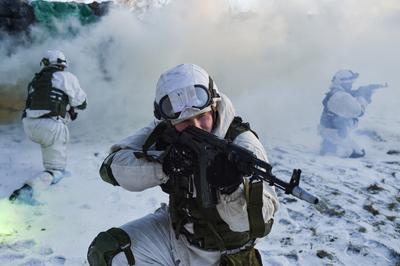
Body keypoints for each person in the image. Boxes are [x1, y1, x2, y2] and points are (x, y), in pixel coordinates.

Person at [87, 63, 279, 265]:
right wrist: (165, 165)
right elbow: (111, 168)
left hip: (224, 254)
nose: (196, 127)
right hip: (177, 235)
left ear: (214, 106)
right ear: (168, 120)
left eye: (202, 117)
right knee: (109, 251)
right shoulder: (165, 130)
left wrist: (232, 189)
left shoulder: (243, 145)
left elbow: (257, 225)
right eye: (185, 122)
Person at [9, 50, 87, 203]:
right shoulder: (67, 77)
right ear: (62, 64)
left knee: (49, 139)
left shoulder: (34, 81)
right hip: (50, 127)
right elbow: (82, 103)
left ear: (45, 63)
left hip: (29, 126)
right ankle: (27, 191)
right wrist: (70, 108)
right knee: (56, 171)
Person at [319, 69, 387, 158]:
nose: (351, 85)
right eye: (350, 83)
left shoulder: (334, 92)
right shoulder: (343, 96)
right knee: (358, 153)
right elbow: (359, 112)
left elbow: (347, 96)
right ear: (344, 82)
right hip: (337, 133)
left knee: (333, 147)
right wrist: (364, 96)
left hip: (327, 130)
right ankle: (332, 147)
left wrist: (360, 91)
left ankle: (328, 145)